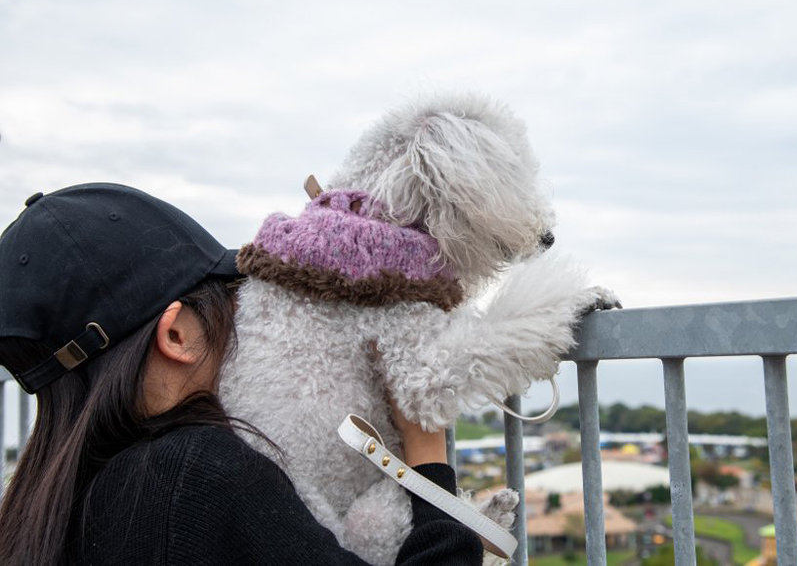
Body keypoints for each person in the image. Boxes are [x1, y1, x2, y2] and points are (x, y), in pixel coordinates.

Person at [0, 183, 485, 565]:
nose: (245, 318)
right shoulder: (198, 473)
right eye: (232, 300)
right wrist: (426, 459)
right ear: (176, 337)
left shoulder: (43, 510)